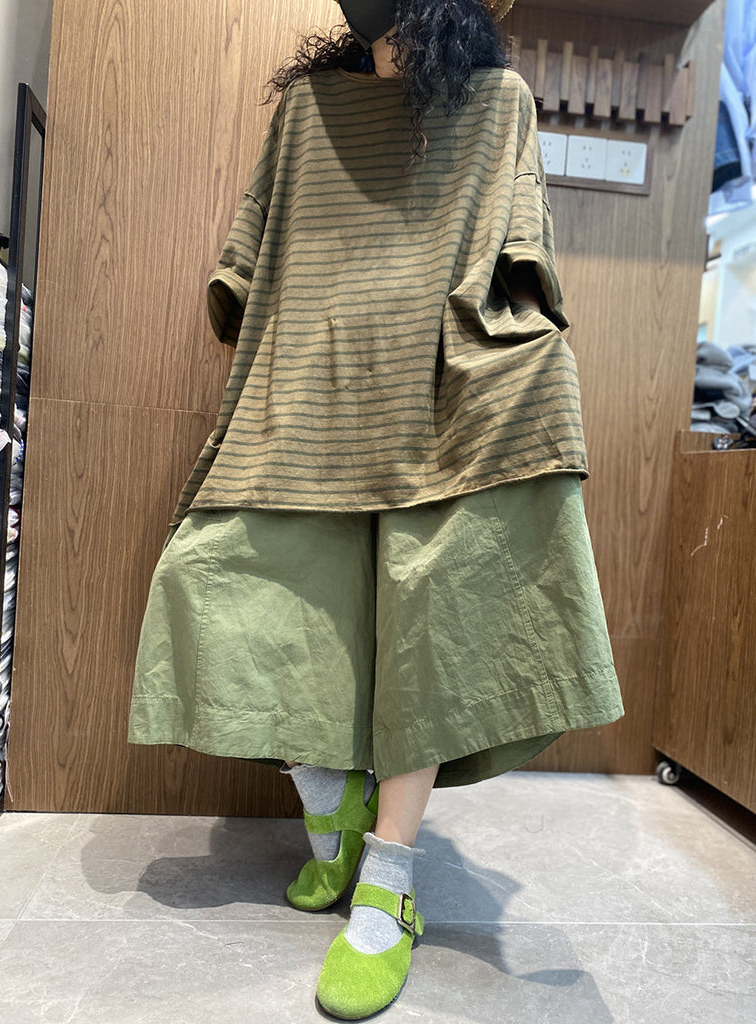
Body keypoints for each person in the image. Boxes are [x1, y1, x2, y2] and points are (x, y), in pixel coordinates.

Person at [127, 0, 624, 1018]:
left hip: (447, 396)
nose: (383, 34)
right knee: (236, 593)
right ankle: (330, 797)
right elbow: (246, 273)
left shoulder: (500, 103)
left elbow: (523, 265)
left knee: (430, 638)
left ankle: (387, 883)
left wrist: (530, 373)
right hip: (309, 390)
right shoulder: (308, 111)